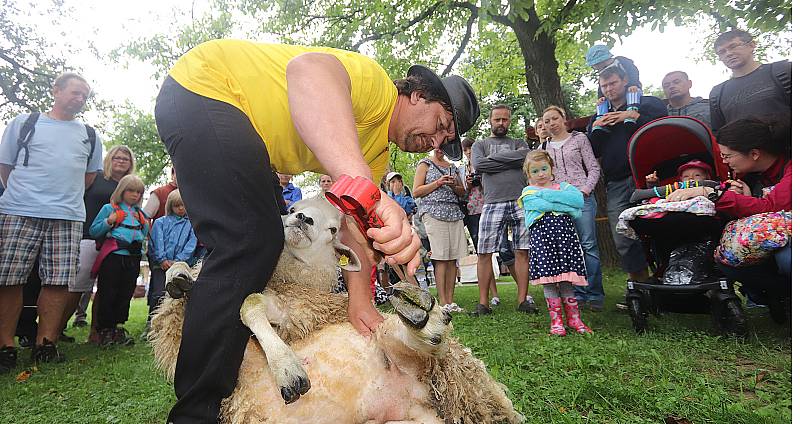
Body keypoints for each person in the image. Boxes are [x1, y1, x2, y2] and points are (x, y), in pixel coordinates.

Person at [153, 39, 478, 422]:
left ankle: (243, 375)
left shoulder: (374, 154)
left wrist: (360, 301)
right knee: (251, 240)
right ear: (418, 94)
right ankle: (194, 415)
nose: (435, 141)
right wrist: (362, 186)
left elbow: (353, 227)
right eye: (440, 125)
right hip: (205, 88)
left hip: (236, 125)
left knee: (267, 248)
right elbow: (307, 71)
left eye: (445, 141)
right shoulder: (376, 87)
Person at [0, 72, 103, 373]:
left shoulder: (89, 134)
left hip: (68, 216)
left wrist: (61, 198)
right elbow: (5, 167)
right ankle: (5, 344)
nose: (80, 99)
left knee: (58, 281)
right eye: (75, 92)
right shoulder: (24, 123)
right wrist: (27, 195)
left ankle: (46, 343)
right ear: (56, 91)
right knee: (8, 279)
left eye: (85, 95)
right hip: (19, 211)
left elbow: (89, 176)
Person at [664, 115, 791, 321]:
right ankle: (777, 298)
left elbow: (770, 207)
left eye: (728, 156)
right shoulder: (748, 176)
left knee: (787, 259)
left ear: (754, 154)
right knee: (727, 260)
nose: (724, 161)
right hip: (773, 236)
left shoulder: (792, 170)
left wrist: (712, 194)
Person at [587, 66, 667, 286]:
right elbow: (593, 151)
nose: (609, 89)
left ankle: (671, 277)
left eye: (613, 83)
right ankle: (638, 286)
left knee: (662, 227)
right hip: (617, 181)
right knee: (622, 234)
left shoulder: (648, 103)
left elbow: (664, 132)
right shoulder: (599, 114)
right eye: (605, 86)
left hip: (652, 177)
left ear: (624, 81)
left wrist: (633, 116)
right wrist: (595, 128)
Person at [470, 104, 537, 316]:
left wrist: (493, 162)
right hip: (492, 202)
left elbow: (525, 157)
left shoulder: (519, 143)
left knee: (522, 251)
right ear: (490, 121)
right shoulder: (479, 145)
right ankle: (483, 304)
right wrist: (511, 160)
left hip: (519, 201)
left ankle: (523, 300)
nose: (501, 123)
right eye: (497, 119)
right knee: (484, 252)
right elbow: (479, 166)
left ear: (509, 121)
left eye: (505, 120)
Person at [519, 150, 592, 335]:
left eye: (544, 169)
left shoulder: (563, 186)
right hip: (543, 241)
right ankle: (556, 322)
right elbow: (539, 206)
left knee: (566, 278)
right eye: (535, 171)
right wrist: (564, 205)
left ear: (552, 168)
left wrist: (545, 195)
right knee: (549, 281)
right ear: (528, 175)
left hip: (565, 240)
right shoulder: (528, 192)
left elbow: (577, 203)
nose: (541, 174)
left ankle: (575, 320)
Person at [542, 106, 604, 311]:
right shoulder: (544, 147)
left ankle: (595, 294)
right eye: (547, 121)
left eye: (554, 118)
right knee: (569, 248)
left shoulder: (579, 139)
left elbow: (594, 167)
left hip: (582, 198)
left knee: (588, 245)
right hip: (559, 203)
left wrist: (586, 190)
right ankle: (577, 293)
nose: (551, 123)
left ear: (563, 119)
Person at [89, 175, 148, 346]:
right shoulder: (110, 209)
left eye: (138, 192)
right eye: (131, 190)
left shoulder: (139, 213)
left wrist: (144, 224)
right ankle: (105, 329)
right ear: (122, 191)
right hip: (114, 257)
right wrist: (110, 221)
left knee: (125, 292)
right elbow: (94, 231)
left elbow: (143, 234)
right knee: (108, 292)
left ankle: (118, 327)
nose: (135, 195)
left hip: (132, 257)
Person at [412, 149, 467, 312]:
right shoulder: (425, 164)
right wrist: (438, 182)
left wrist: (453, 185)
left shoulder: (452, 167)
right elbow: (416, 191)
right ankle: (443, 303)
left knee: (452, 258)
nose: (440, 148)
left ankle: (451, 301)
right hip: (433, 212)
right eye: (437, 144)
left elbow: (462, 192)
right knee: (441, 257)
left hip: (453, 212)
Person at [710, 29, 791, 133]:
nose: (728, 53)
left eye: (733, 46)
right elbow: (718, 134)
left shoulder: (785, 71)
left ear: (751, 45)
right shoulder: (717, 93)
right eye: (722, 52)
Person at [144, 190, 197, 336]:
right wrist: (162, 259)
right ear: (170, 206)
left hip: (180, 266)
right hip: (161, 266)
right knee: (158, 293)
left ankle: (175, 326)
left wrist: (178, 261)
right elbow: (156, 241)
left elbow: (191, 245)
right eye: (176, 206)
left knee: (178, 295)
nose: (180, 209)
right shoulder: (161, 222)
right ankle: (152, 325)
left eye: (183, 205)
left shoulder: (191, 224)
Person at [461, 138, 500, 305]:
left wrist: (481, 179)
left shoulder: (484, 164)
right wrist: (468, 185)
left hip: (490, 208)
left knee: (502, 250)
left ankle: (497, 294)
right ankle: (490, 295)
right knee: (481, 253)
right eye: (465, 150)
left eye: (470, 148)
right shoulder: (462, 169)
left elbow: (494, 184)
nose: (468, 152)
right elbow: (462, 193)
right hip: (472, 213)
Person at [646, 159, 712, 187]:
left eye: (697, 175)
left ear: (707, 177)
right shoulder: (677, 189)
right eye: (686, 176)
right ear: (681, 179)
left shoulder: (711, 189)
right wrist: (653, 183)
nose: (691, 178)